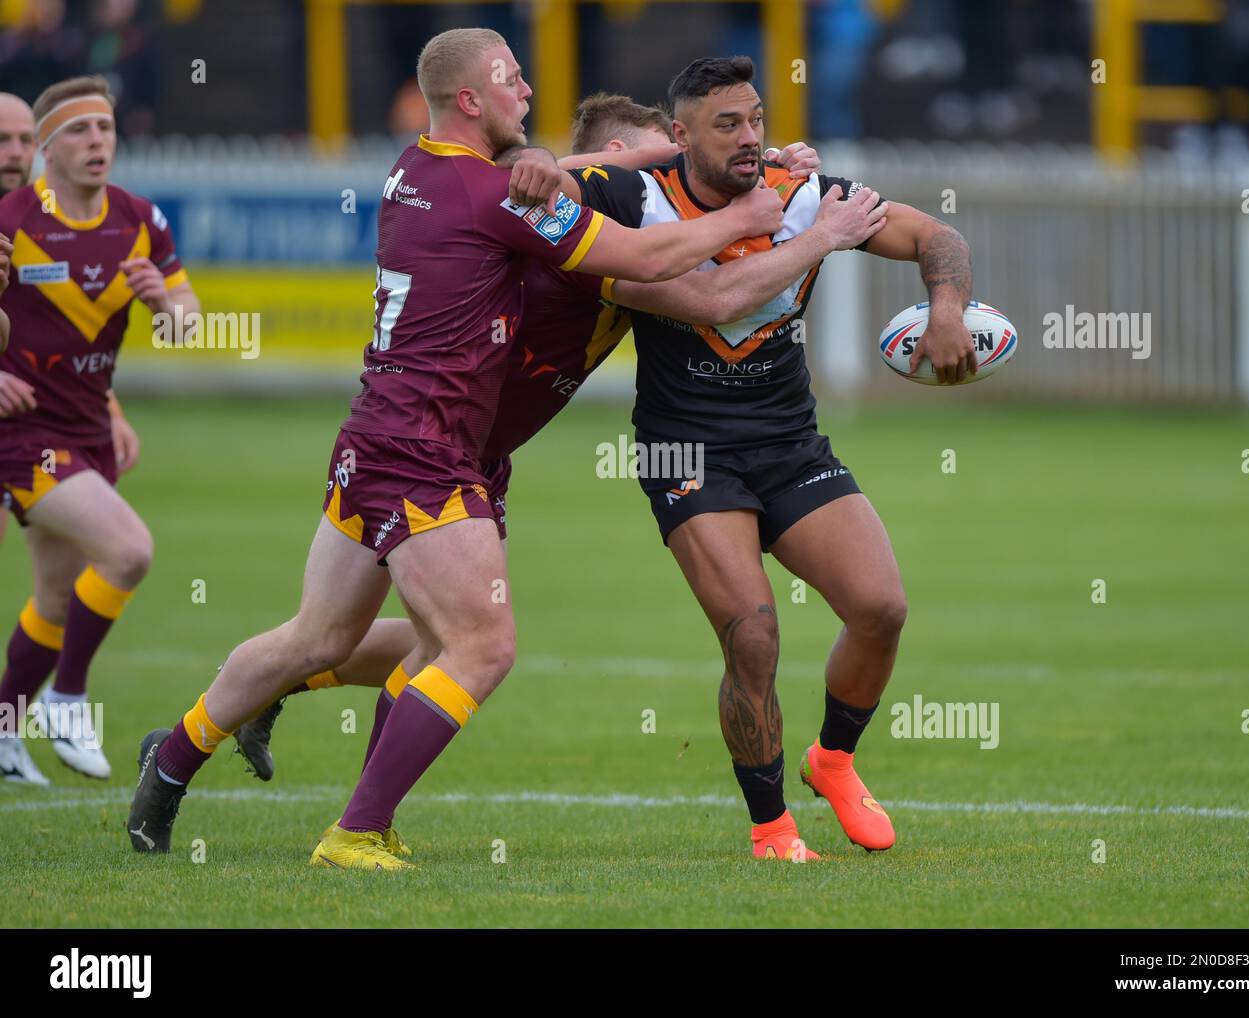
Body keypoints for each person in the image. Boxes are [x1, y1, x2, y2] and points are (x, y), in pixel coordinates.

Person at [125, 28, 786, 869]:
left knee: (325, 638)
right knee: (483, 645)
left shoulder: (416, 166)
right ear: (470, 100)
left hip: (385, 433)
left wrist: (599, 156)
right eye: (512, 79)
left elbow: (560, 169)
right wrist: (753, 213)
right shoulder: (503, 198)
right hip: (427, 446)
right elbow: (659, 261)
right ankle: (356, 832)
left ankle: (173, 759)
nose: (527, 91)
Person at [557, 56, 976, 860]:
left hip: (788, 442)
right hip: (688, 448)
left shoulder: (802, 188)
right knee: (752, 633)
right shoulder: (628, 199)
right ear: (678, 136)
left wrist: (947, 308)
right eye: (728, 125)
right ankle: (771, 826)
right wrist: (607, 158)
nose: (751, 137)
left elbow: (936, 234)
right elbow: (512, 183)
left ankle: (834, 760)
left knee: (881, 608)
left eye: (756, 119)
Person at [0, 77, 194, 784]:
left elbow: (188, 318)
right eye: (79, 132)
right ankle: (69, 696)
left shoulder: (142, 219)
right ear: (47, 149)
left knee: (55, 597)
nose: (97, 144)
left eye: (106, 130)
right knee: (129, 552)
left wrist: (165, 307)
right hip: (22, 437)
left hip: (87, 431)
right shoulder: (12, 218)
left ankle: (1, 728)